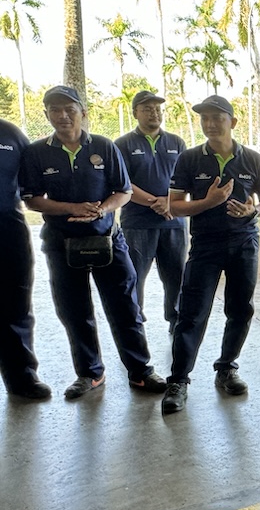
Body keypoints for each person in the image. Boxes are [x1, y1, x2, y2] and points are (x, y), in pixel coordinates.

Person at [20, 86, 168, 400]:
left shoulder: (103, 146)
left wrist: (102, 209)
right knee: (75, 311)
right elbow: (32, 199)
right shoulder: (36, 152)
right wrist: (71, 208)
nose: (62, 115)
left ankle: (140, 372)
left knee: (125, 307)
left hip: (108, 241)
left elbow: (124, 191)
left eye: (69, 109)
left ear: (83, 113)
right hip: (61, 245)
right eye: (55, 110)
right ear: (46, 114)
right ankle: (90, 373)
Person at [160, 95, 260, 415]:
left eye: (217, 118)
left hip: (244, 243)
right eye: (204, 118)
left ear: (232, 122)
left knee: (240, 309)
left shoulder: (252, 159)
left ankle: (226, 368)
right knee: (192, 313)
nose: (210, 124)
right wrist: (208, 202)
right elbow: (174, 206)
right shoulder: (190, 159)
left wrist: (252, 211)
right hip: (205, 245)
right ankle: (178, 381)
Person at [114, 90, 187, 333]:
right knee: (134, 276)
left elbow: (184, 180)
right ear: (135, 113)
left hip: (173, 223)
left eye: (157, 108)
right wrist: (155, 202)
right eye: (147, 109)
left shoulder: (176, 143)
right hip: (137, 224)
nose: (154, 113)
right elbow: (122, 182)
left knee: (176, 276)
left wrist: (169, 202)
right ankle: (134, 323)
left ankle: (176, 321)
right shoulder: (122, 144)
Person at [0, 119, 50, 400]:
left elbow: (31, 180)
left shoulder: (10, 134)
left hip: (9, 228)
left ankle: (22, 377)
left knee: (16, 303)